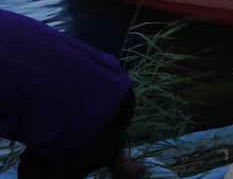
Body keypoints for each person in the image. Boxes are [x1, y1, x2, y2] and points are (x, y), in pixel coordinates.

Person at [0, 9, 145, 179]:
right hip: (116, 86)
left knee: (35, 172)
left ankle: (112, 157)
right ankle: (120, 163)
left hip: (92, 121)